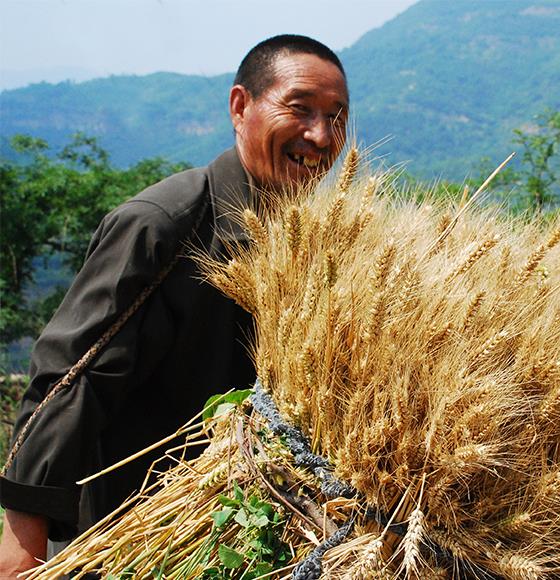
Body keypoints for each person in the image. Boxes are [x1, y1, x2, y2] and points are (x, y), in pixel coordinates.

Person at [0, 34, 349, 574]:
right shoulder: (165, 224)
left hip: (250, 543)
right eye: (299, 108)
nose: (321, 135)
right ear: (241, 107)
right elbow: (73, 376)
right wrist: (22, 542)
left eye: (337, 116)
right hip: (135, 541)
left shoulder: (322, 245)